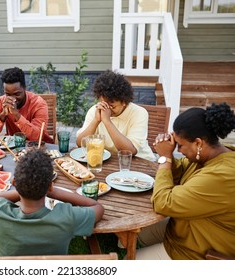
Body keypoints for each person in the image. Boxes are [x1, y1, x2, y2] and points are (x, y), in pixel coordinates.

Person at [135, 103, 235, 260]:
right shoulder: (210, 154)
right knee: (138, 233)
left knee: (129, 262)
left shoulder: (222, 175)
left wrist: (165, 158)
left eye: (180, 146)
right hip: (188, 226)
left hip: (198, 249)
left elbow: (162, 202)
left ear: (198, 143)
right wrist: (169, 154)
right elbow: (180, 170)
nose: (178, 150)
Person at [0, 150, 104, 256]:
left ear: (14, 183)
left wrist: (23, 188)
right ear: (50, 187)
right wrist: (51, 191)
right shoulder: (66, 218)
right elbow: (97, 207)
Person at [76, 70, 155, 161]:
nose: (107, 109)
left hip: (140, 162)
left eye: (112, 106)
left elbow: (129, 151)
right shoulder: (95, 110)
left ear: (124, 102)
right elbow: (80, 144)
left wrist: (107, 121)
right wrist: (96, 121)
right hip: (110, 161)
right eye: (103, 103)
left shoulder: (139, 113)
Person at [0, 67, 54, 143]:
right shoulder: (0, 101)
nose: (13, 99)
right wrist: (2, 115)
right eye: (8, 94)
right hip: (14, 147)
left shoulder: (38, 103)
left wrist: (16, 115)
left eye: (17, 94)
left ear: (24, 88)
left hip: (40, 147)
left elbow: (37, 136)